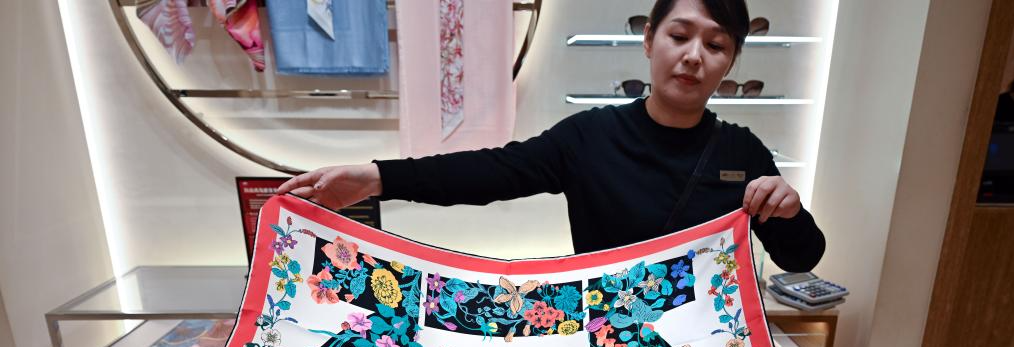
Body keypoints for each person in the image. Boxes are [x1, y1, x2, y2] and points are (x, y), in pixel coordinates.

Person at [276, 0, 825, 272]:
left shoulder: (742, 151)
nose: (693, 56)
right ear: (649, 40)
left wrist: (789, 210)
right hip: (607, 346)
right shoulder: (591, 136)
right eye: (679, 36)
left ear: (731, 61)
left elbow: (802, 258)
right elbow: (491, 171)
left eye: (716, 45)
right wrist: (377, 178)